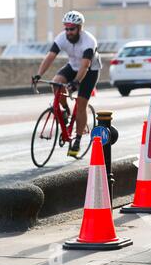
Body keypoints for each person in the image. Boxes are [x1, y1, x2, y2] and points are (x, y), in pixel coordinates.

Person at [32, 11, 102, 157]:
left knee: (82, 104)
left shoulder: (89, 41)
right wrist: (39, 75)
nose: (69, 32)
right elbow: (50, 57)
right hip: (72, 66)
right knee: (56, 83)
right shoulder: (61, 38)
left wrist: (76, 82)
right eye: (67, 28)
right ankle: (65, 111)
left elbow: (85, 66)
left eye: (72, 29)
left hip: (89, 71)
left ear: (79, 28)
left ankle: (77, 139)